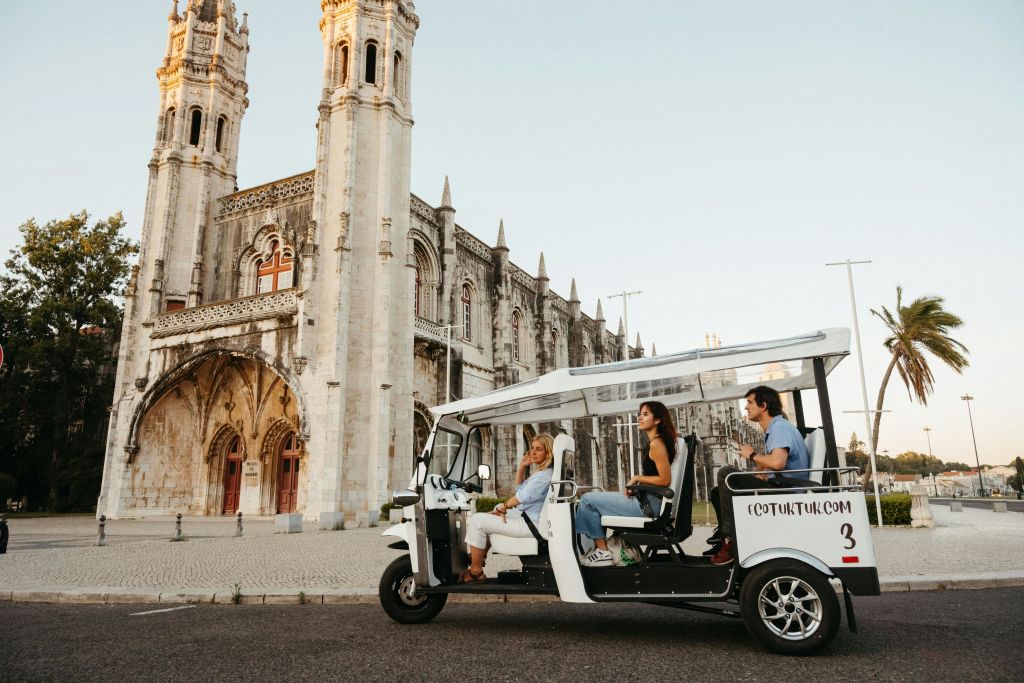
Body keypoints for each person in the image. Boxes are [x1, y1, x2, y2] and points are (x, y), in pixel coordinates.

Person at [708, 385, 809, 566]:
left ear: (763, 406)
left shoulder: (779, 427)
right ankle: (724, 536)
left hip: (787, 493)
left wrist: (752, 455)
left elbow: (778, 462)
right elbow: (777, 465)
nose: (746, 407)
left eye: (749, 402)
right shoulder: (775, 428)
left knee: (726, 473)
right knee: (717, 492)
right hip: (782, 486)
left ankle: (730, 541)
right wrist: (764, 472)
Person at [575, 401, 678, 566]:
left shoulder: (656, 444)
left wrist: (637, 478)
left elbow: (665, 480)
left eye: (645, 414)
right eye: (640, 414)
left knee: (587, 500)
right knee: (594, 501)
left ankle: (603, 552)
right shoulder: (658, 442)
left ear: (658, 419)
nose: (640, 417)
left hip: (648, 506)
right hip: (649, 501)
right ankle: (602, 549)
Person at [461, 433, 555, 582]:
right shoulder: (545, 472)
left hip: (531, 525)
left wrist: (503, 508)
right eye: (532, 448)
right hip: (532, 521)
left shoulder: (543, 476)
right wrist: (522, 466)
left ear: (548, 452)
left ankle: (475, 571)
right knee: (493, 512)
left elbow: (520, 498)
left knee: (477, 520)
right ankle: (480, 556)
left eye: (539, 449)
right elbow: (519, 490)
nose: (533, 452)